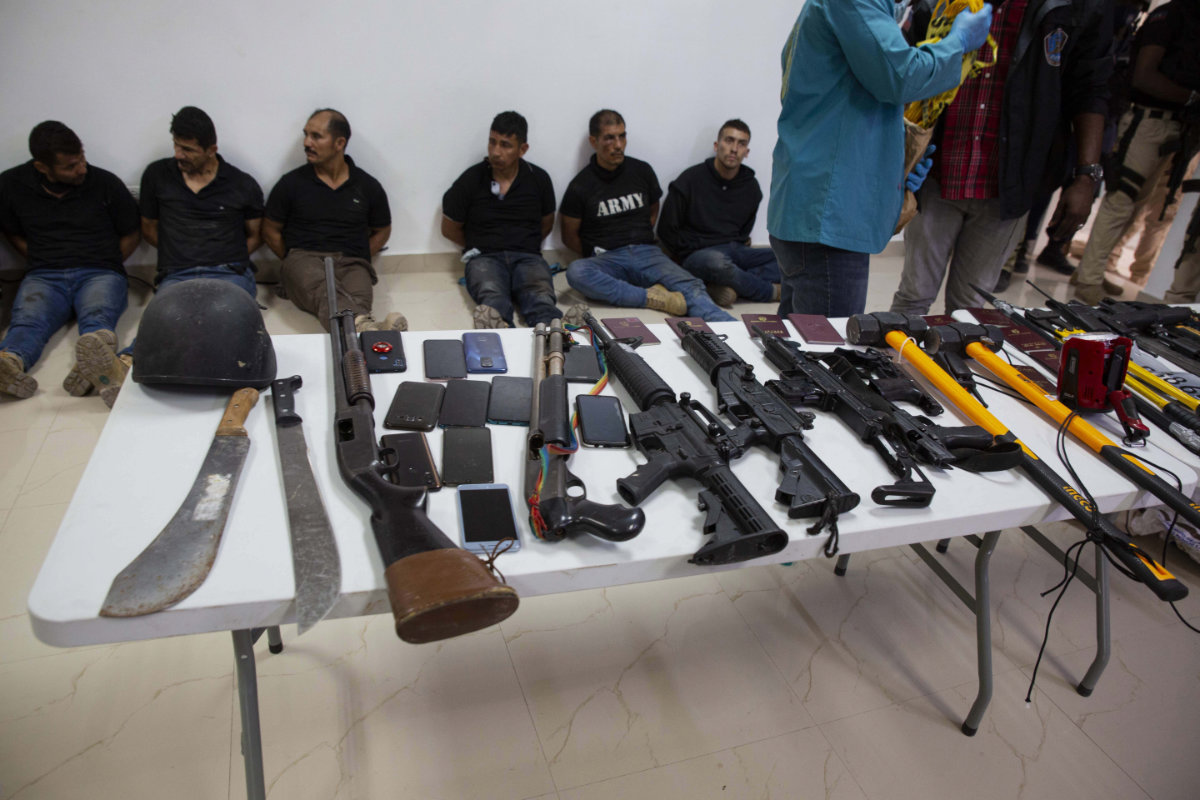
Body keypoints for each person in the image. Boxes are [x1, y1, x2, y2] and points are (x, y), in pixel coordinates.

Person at [891, 0, 1113, 316]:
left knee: (970, 307)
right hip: (937, 170)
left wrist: (1085, 175)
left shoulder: (1072, 9)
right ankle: (889, 364)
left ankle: (955, 366)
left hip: (1010, 180)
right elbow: (908, 70)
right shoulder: (938, 3)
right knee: (913, 295)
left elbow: (1091, 87)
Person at [768, 0, 989, 318]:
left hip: (816, 206)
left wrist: (893, 164)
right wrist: (958, 42)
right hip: (828, 216)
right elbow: (901, 77)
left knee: (797, 345)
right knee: (825, 353)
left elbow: (850, 104)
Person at [0, 121, 139, 400]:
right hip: (44, 273)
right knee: (28, 321)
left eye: (82, 159)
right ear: (42, 167)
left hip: (99, 271)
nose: (81, 169)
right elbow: (11, 232)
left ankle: (95, 365)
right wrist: (39, 258)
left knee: (97, 317)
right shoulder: (10, 185)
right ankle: (9, 363)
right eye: (70, 167)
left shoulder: (104, 183)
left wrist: (110, 263)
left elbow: (132, 231)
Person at [1073, 0, 1200, 304]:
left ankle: (1091, 271)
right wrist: (1192, 97)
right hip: (1146, 122)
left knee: (1136, 205)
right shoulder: (1169, 15)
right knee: (1121, 200)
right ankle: (1088, 279)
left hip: (1173, 127)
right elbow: (1143, 75)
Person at [562, 109, 734, 321]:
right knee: (576, 272)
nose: (618, 145)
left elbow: (653, 209)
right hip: (606, 257)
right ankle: (653, 297)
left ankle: (731, 330)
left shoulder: (641, 171)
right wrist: (596, 251)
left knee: (691, 285)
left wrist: (639, 237)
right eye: (609, 138)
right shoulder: (581, 185)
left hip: (646, 252)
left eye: (622, 136)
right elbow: (569, 235)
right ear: (594, 141)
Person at [262, 108, 403, 332]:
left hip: (351, 261)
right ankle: (368, 329)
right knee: (322, 290)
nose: (307, 142)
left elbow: (383, 230)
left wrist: (361, 254)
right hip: (304, 259)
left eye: (316, 136)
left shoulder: (367, 186)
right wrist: (291, 260)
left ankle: (364, 327)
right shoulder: (291, 184)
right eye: (306, 134)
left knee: (360, 298)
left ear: (339, 143)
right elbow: (270, 230)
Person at [441, 111, 562, 328]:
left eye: (505, 145)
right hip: (484, 257)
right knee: (492, 296)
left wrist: (523, 243)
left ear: (522, 149)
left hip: (527, 256)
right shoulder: (471, 179)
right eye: (492, 142)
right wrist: (478, 243)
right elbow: (449, 228)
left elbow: (546, 223)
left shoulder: (539, 179)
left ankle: (553, 338)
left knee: (540, 296)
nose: (496, 152)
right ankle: (501, 333)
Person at [140, 106, 264, 295]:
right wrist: (180, 252)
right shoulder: (157, 175)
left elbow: (257, 234)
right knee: (171, 320)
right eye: (176, 145)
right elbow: (148, 227)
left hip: (229, 272)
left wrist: (231, 256)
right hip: (176, 273)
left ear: (211, 150)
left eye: (188, 150)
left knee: (228, 317)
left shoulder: (242, 183)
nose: (178, 155)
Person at [657, 119, 780, 308]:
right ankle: (769, 291)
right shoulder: (690, 180)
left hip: (734, 251)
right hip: (698, 255)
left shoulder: (751, 187)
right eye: (729, 141)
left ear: (746, 152)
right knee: (718, 263)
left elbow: (743, 233)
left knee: (785, 258)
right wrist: (698, 246)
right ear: (717, 146)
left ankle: (721, 284)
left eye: (741, 144)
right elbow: (667, 231)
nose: (734, 149)